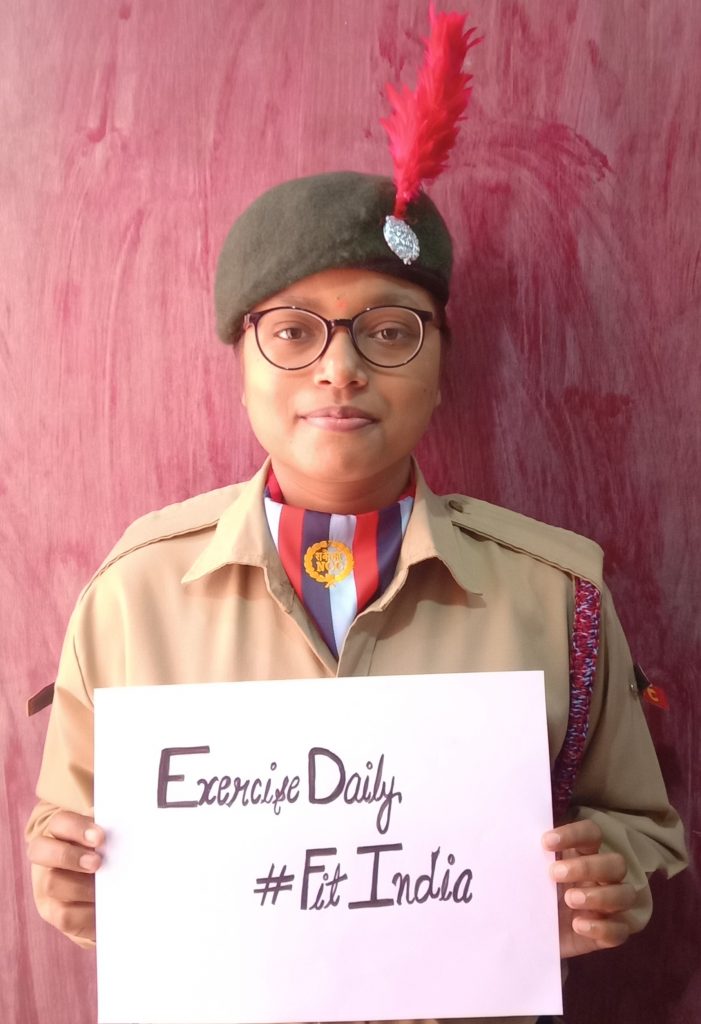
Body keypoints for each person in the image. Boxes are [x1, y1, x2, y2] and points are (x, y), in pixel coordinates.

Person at [25, 170, 687, 1024]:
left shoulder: (556, 596)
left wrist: (611, 874)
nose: (339, 369)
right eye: (292, 331)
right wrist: (71, 882)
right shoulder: (131, 597)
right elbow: (69, 832)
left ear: (442, 364)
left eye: (389, 331)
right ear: (239, 366)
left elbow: (640, 826)